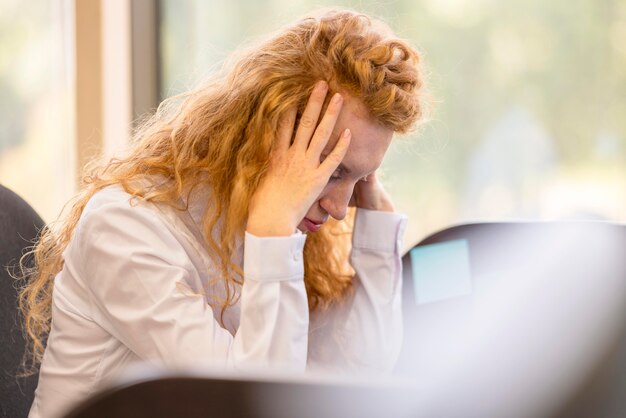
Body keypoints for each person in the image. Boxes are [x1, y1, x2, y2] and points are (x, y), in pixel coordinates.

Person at [19, 8, 425, 418]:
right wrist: (273, 233)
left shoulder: (287, 227)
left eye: (360, 178)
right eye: (331, 169)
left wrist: (376, 221)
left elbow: (355, 380)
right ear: (263, 131)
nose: (340, 208)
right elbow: (251, 407)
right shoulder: (125, 227)